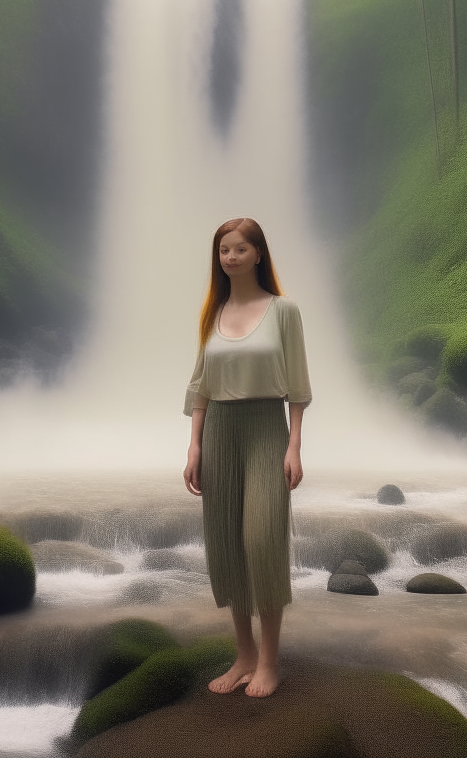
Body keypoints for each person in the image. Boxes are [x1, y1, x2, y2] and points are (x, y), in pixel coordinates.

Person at [182, 217, 311, 698]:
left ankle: (270, 661)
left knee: (261, 540)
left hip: (265, 429)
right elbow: (201, 386)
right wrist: (195, 443)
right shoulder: (212, 313)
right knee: (227, 543)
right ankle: (244, 655)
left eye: (239, 249)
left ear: (259, 253)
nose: (230, 257)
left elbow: (297, 385)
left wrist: (294, 445)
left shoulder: (283, 311)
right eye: (223, 251)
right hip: (218, 431)